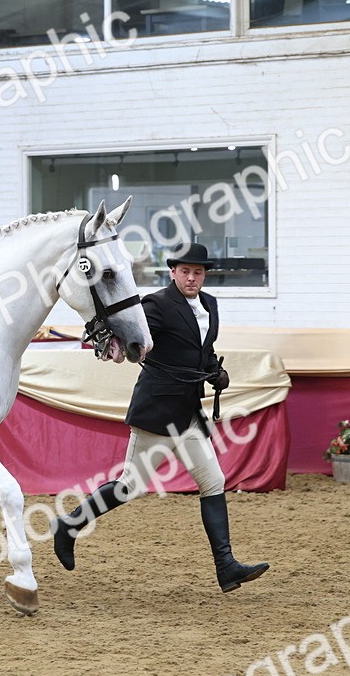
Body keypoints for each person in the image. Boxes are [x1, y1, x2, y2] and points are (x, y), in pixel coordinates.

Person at [50, 242, 270, 592]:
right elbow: (133, 333)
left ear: (204, 275)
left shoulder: (210, 305)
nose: (192, 278)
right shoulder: (157, 304)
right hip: (157, 410)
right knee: (130, 486)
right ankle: (69, 525)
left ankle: (226, 567)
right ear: (173, 272)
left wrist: (214, 372)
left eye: (198, 272)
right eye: (185, 271)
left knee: (213, 481)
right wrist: (112, 339)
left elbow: (202, 350)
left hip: (188, 411)